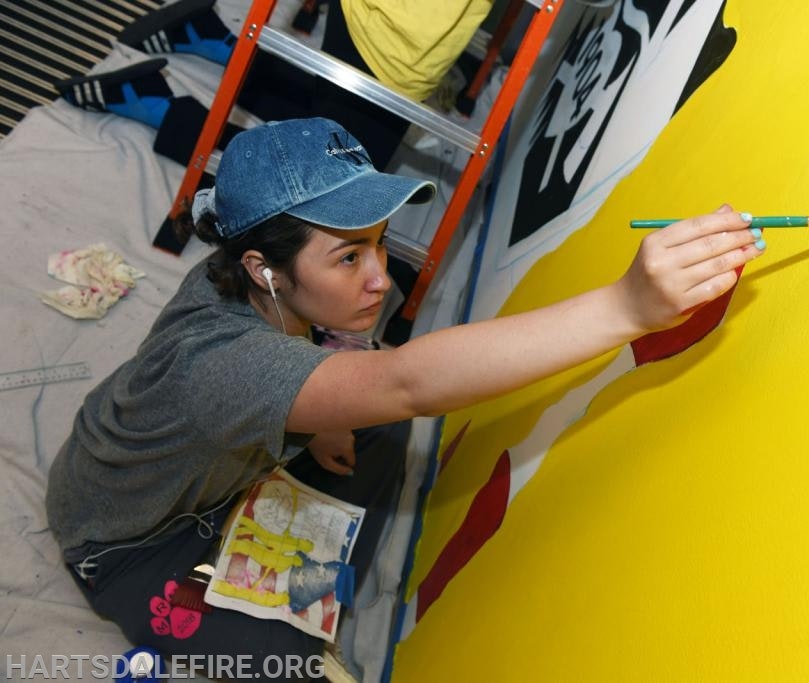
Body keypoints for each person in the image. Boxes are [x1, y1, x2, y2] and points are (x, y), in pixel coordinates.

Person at [45, 117, 765, 680]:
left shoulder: (244, 274)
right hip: (126, 541)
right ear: (263, 269)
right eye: (348, 257)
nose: (380, 280)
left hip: (199, 470)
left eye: (380, 243)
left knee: (378, 441)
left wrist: (320, 414)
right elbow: (407, 382)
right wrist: (626, 307)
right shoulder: (224, 366)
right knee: (286, 658)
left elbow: (365, 382)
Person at [55, 0, 492, 168]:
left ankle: (213, 42)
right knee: (329, 185)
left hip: (388, 23)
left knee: (335, 118)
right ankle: (155, 105)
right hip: (403, 36)